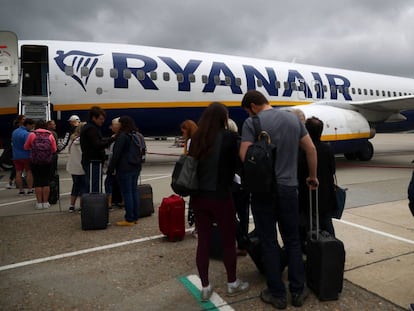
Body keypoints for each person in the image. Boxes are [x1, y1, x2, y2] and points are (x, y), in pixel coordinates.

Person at [239, 90, 318, 309]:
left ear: (253, 106)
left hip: (263, 191)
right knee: (292, 240)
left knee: (269, 241)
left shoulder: (252, 123)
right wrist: (312, 176)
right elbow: (311, 149)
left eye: (247, 109)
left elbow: (245, 157)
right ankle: (298, 291)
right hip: (289, 189)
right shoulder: (293, 119)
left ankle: (277, 294)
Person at [188, 102, 250, 302]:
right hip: (221, 196)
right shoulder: (230, 137)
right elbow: (236, 165)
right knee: (228, 241)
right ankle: (232, 283)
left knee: (203, 241)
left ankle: (205, 286)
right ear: (223, 118)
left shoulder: (196, 137)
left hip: (198, 196)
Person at [298, 117, 336, 247]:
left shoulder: (303, 150)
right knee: (326, 222)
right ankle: (331, 246)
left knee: (308, 223)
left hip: (308, 194)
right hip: (325, 192)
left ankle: (310, 248)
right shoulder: (327, 148)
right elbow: (332, 170)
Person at [107, 116, 144, 226]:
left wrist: (110, 169)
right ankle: (136, 217)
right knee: (134, 191)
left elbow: (116, 154)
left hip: (125, 168)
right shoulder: (136, 135)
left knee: (127, 193)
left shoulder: (122, 136)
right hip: (136, 166)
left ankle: (129, 219)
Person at [227, 118, 249, 257]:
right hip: (245, 183)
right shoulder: (243, 142)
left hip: (230, 183)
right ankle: (244, 243)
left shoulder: (226, 143)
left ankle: (239, 239)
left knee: (229, 214)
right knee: (244, 213)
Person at [24, 119, 57, 209]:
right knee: (46, 181)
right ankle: (46, 202)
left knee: (37, 181)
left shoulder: (32, 134)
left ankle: (39, 203)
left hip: (35, 161)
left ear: (36, 126)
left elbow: (26, 147)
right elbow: (54, 149)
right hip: (47, 161)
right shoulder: (50, 135)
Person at [80, 106, 114, 193]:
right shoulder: (91, 129)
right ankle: (93, 204)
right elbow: (97, 145)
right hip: (93, 161)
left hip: (91, 160)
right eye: (100, 119)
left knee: (92, 184)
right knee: (94, 186)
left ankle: (91, 203)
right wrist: (111, 140)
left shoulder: (90, 127)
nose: (103, 121)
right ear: (94, 118)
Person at [180, 119, 198, 234]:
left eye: (183, 132)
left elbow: (190, 158)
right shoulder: (200, 138)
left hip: (193, 174)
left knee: (195, 202)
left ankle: (197, 227)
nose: (182, 134)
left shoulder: (191, 141)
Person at [66, 122, 87, 212]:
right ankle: (81, 206)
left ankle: (72, 205)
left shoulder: (72, 139)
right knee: (83, 188)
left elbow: (68, 151)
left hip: (73, 167)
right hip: (82, 167)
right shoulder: (85, 140)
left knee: (75, 186)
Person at [11, 118, 35, 195]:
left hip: (16, 156)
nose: (32, 128)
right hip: (26, 155)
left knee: (18, 172)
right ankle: (30, 189)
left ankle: (21, 190)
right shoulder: (27, 134)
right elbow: (29, 145)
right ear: (28, 125)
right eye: (31, 126)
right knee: (29, 172)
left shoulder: (14, 132)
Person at [105, 117, 122, 208]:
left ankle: (109, 203)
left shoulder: (116, 137)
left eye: (112, 125)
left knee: (108, 183)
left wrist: (110, 165)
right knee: (120, 184)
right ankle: (122, 201)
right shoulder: (125, 136)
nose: (110, 127)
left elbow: (112, 153)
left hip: (115, 165)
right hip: (119, 166)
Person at [6, 115, 26, 189]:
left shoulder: (23, 128)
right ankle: (11, 181)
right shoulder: (17, 129)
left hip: (19, 151)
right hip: (18, 151)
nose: (25, 120)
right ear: (19, 120)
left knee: (18, 169)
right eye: (23, 119)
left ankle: (14, 182)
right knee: (17, 169)